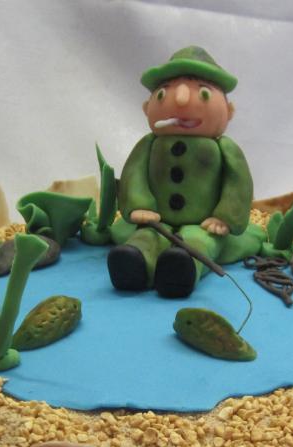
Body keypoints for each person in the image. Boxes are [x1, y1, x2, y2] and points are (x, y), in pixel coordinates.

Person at [108, 46, 254, 298]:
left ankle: (183, 270)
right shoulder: (149, 145)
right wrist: (139, 204)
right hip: (157, 219)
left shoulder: (225, 148)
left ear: (229, 111)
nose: (182, 101)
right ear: (147, 108)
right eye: (163, 94)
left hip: (204, 224)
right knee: (146, 237)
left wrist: (225, 216)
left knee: (199, 243)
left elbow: (237, 184)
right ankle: (135, 263)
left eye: (204, 93)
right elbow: (134, 175)